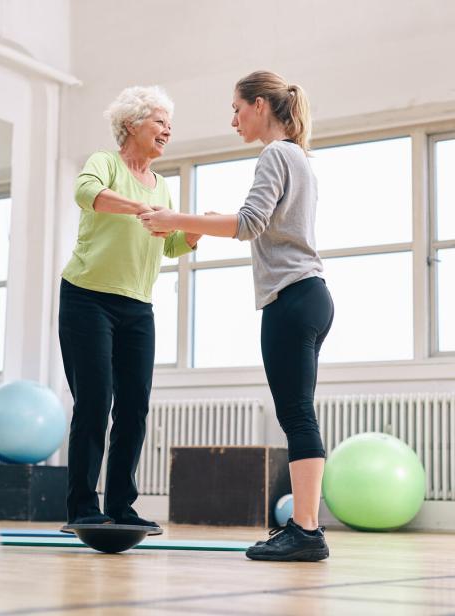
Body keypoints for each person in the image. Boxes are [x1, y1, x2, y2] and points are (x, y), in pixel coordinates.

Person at [140, 70, 334, 561]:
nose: (233, 120)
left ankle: (307, 531)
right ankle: (307, 529)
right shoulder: (300, 158)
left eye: (237, 108)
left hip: (292, 297)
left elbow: (249, 224)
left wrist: (175, 219)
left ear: (261, 106)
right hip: (310, 294)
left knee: (295, 414)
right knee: (299, 412)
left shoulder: (275, 153)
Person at [59, 86, 200, 527]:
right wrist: (142, 207)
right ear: (131, 125)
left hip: (138, 307)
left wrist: (194, 231)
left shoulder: (164, 186)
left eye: (168, 123)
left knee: (134, 406)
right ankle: (83, 507)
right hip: (87, 298)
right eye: (159, 121)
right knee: (95, 402)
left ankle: (121, 506)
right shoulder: (106, 163)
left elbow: (171, 244)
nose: (167, 129)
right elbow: (87, 194)